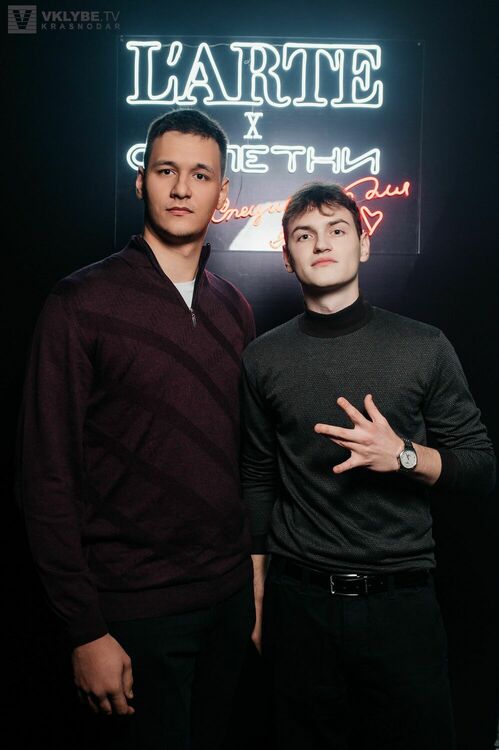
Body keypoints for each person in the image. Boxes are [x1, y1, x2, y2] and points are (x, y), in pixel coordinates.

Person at [18, 109, 255, 750]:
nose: (181, 188)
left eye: (200, 174)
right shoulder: (79, 302)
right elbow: (45, 474)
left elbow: (246, 459)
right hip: (130, 612)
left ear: (222, 193)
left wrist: (253, 588)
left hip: (228, 602)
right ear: (140, 182)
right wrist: (84, 629)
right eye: (165, 170)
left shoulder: (234, 308)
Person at [241, 182, 496, 750]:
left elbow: (480, 467)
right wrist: (256, 603)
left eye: (337, 230)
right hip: (300, 603)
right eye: (304, 235)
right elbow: (257, 479)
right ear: (287, 257)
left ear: (364, 244)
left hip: (401, 604)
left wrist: (402, 455)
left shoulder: (424, 346)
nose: (321, 244)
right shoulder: (263, 357)